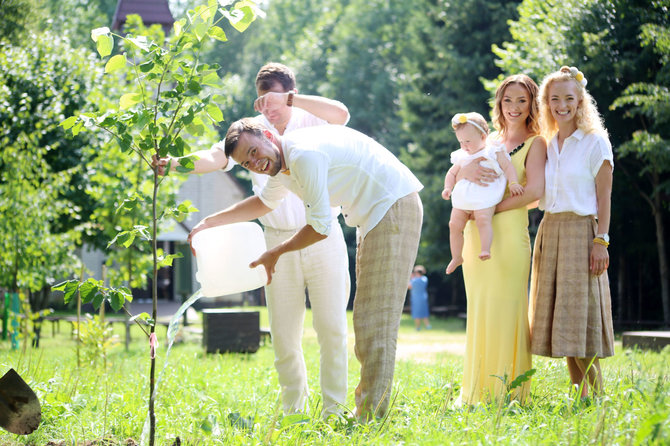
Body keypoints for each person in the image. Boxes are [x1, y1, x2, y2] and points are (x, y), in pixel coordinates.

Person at [188, 119, 423, 421]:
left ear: (269, 135)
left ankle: (370, 419)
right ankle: (366, 412)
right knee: (366, 318)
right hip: (374, 213)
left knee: (375, 320)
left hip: (392, 206)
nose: (255, 163)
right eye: (247, 163)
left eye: (254, 151)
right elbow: (263, 202)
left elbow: (321, 227)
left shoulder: (302, 156)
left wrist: (276, 252)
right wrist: (209, 222)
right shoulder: (282, 166)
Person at [156, 63, 351, 419]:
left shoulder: (313, 119)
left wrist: (290, 101)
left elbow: (342, 114)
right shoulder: (250, 132)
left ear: (291, 93)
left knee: (332, 327)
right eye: (262, 100)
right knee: (284, 334)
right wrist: (174, 163)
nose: (268, 108)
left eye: (274, 100)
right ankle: (294, 409)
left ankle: (334, 410)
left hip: (323, 236)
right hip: (276, 240)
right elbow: (216, 158)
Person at [457, 74, 547, 405]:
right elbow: (459, 174)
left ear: (531, 105)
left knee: (508, 308)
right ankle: (476, 391)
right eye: (507, 100)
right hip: (473, 234)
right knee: (479, 307)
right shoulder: (486, 140)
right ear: (499, 103)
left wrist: (491, 208)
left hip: (509, 236)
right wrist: (464, 177)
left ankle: (510, 391)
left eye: (521, 100)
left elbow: (536, 192)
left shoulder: (537, 143)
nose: (513, 107)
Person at [529, 66, 614, 398]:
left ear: (580, 100)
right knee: (559, 318)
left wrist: (601, 241)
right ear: (546, 103)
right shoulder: (547, 143)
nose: (561, 105)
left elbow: (605, 197)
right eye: (554, 99)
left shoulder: (596, 143)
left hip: (583, 233)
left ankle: (600, 396)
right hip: (550, 231)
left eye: (568, 98)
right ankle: (579, 396)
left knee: (579, 317)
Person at [442, 112, 524, 274]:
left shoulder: (493, 151)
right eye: (461, 142)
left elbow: (508, 167)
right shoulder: (462, 156)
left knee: (483, 220)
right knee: (454, 225)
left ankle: (485, 249)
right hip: (463, 198)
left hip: (485, 196)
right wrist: (447, 188)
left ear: (483, 136)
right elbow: (451, 174)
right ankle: (457, 256)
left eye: (468, 141)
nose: (464, 145)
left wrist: (513, 182)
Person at [408, 265, 431, 330]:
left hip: (416, 298)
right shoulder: (425, 279)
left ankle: (418, 327)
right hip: (423, 297)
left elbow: (409, 287)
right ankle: (428, 326)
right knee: (424, 312)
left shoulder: (414, 280)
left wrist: (411, 278)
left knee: (416, 312)